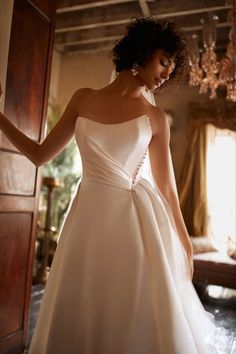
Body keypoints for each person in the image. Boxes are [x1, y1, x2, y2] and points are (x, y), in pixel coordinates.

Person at [0, 17, 217, 354]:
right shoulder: (83, 98)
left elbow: (167, 189)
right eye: (163, 61)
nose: (165, 74)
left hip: (129, 224)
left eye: (171, 70)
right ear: (143, 51)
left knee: (126, 311)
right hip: (85, 221)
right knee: (82, 303)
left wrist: (185, 244)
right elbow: (40, 154)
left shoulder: (155, 118)